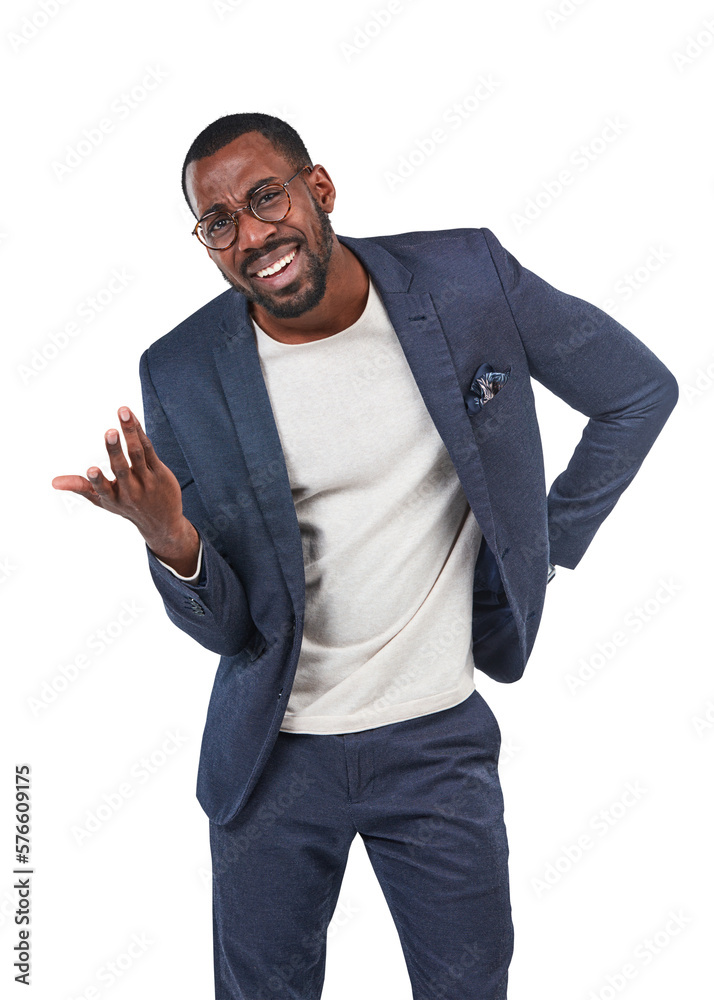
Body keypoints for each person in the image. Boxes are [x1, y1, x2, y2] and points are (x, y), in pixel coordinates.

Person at [52, 112, 678, 999]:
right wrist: (171, 539)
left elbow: (638, 393)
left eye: (265, 196)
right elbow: (228, 625)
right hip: (271, 763)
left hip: (437, 747)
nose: (251, 233)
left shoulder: (466, 280)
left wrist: (548, 545)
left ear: (320, 188)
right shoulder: (183, 370)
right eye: (218, 220)